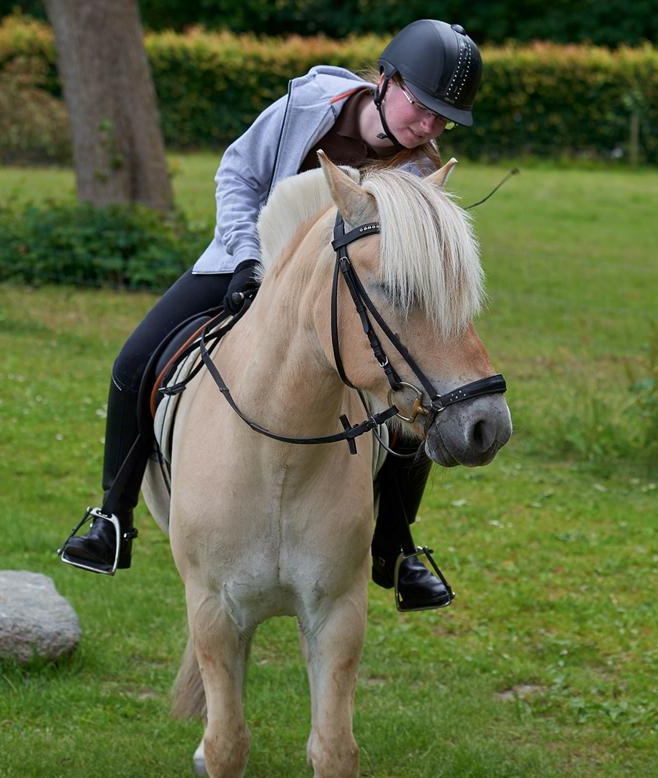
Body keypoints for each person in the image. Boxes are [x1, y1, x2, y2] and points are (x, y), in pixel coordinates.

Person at [60, 19, 484, 612]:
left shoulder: (416, 172)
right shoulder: (305, 106)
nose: (430, 126)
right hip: (248, 264)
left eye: (444, 118)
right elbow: (239, 173)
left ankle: (398, 547)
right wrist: (245, 257)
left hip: (342, 300)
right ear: (386, 81)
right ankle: (112, 514)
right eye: (424, 106)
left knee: (409, 406)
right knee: (134, 359)